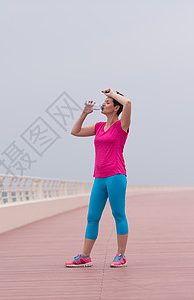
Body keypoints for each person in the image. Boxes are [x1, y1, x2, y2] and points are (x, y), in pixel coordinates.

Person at [65, 88, 131, 268]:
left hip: (116, 175)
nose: (103, 104)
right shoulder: (99, 127)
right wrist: (84, 113)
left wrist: (112, 93)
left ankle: (121, 255)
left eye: (107, 103)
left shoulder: (121, 126)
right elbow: (75, 132)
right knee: (92, 217)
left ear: (116, 107)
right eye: (105, 102)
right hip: (99, 177)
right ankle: (85, 256)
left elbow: (128, 104)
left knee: (118, 214)